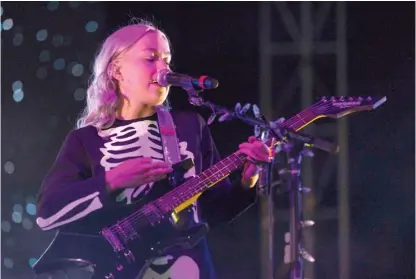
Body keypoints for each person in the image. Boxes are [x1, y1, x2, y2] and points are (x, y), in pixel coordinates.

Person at [34, 19, 271, 279]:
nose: (163, 69)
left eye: (167, 60)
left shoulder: (190, 126)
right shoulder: (85, 140)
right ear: (117, 70)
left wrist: (247, 181)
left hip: (188, 268)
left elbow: (213, 211)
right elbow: (48, 214)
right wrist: (112, 180)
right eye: (151, 59)